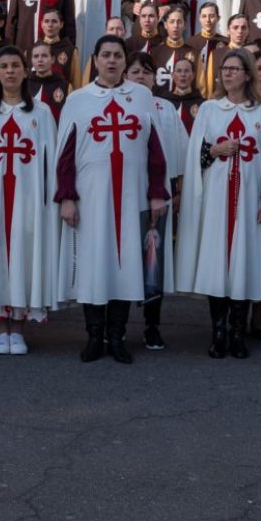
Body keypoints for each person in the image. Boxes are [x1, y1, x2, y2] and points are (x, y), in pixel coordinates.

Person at [56, 36, 170, 364]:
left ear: (124, 60)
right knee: (95, 266)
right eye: (105, 55)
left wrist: (157, 193)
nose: (111, 61)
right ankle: (94, 337)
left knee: (124, 265)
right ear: (95, 58)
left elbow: (155, 150)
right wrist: (66, 197)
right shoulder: (78, 100)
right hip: (91, 197)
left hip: (132, 195)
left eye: (117, 56)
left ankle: (117, 337)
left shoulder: (142, 97)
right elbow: (65, 154)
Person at [176, 47, 261, 359]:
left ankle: (238, 333)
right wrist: (215, 150)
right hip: (216, 199)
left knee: (244, 262)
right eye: (224, 68)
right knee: (217, 264)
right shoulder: (210, 110)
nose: (227, 73)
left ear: (248, 74)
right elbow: (194, 156)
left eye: (234, 69)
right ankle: (218, 332)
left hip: (250, 198)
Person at [0, 46, 60, 355]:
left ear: (24, 70)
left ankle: (18, 327)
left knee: (24, 257)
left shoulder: (41, 113)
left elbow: (52, 165)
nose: (9, 71)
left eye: (15, 65)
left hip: (29, 201)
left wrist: (49, 204)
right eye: (4, 66)